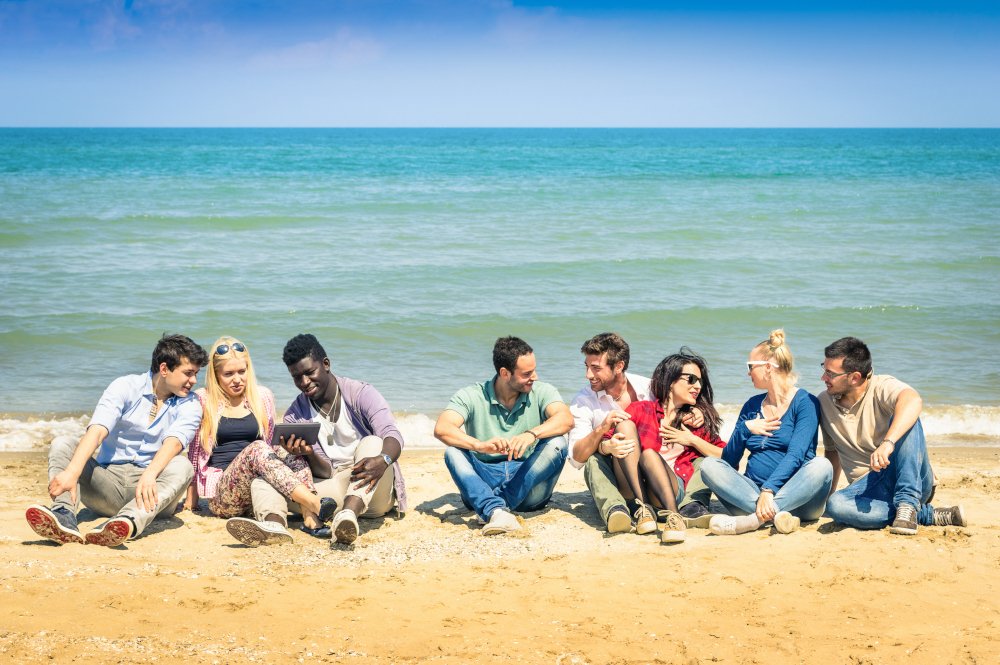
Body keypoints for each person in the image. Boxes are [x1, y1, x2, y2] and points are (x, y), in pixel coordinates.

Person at [25, 334, 207, 547]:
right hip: (107, 486)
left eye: (196, 374)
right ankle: (63, 515)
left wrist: (150, 474)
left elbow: (174, 442)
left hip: (152, 493)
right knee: (62, 443)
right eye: (188, 373)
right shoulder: (125, 386)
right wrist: (72, 473)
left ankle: (127, 521)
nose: (194, 381)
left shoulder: (191, 403)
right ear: (164, 369)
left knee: (182, 465)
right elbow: (98, 430)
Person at [183, 337, 334, 547]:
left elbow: (272, 445)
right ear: (216, 375)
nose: (237, 379)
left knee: (291, 452)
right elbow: (194, 452)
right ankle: (315, 503)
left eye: (242, 371)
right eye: (228, 374)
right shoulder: (203, 399)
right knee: (256, 448)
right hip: (223, 495)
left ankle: (308, 518)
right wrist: (191, 498)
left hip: (257, 489)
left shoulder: (262, 396)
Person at [820, 336, 967, 534]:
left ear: (854, 377)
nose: (823, 378)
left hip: (911, 478)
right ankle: (924, 515)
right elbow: (832, 453)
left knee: (908, 417)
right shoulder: (824, 402)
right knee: (836, 505)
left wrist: (888, 443)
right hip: (866, 491)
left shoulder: (882, 386)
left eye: (830, 373)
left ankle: (908, 503)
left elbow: (913, 400)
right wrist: (828, 497)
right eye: (824, 369)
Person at [568, 334, 712, 535]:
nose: (588, 375)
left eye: (596, 368)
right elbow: (576, 459)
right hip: (620, 474)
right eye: (587, 367)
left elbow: (679, 398)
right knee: (593, 460)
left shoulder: (650, 388)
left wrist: (698, 411)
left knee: (658, 454)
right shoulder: (583, 401)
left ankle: (662, 508)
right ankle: (616, 508)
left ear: (619, 366)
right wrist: (603, 436)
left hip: (654, 473)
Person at [435, 336, 572, 535]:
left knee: (558, 442)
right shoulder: (471, 394)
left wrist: (531, 434)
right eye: (527, 373)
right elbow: (442, 428)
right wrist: (479, 445)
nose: (535, 377)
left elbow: (566, 419)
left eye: (534, 370)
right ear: (505, 373)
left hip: (527, 484)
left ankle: (492, 508)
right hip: (484, 479)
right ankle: (496, 509)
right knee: (453, 451)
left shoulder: (543, 391)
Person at [278, 333, 406, 546]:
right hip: (334, 489)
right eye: (297, 377)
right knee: (273, 481)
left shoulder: (361, 393)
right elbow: (325, 473)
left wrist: (383, 460)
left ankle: (349, 513)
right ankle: (275, 524)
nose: (304, 382)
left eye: (309, 372)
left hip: (373, 486)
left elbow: (392, 434)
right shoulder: (295, 415)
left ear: (326, 364)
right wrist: (308, 454)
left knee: (373, 442)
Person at [701, 329, 833, 536]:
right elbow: (729, 462)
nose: (748, 373)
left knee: (822, 466)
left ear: (768, 367)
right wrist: (745, 429)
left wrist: (769, 490)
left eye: (750, 366)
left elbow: (797, 455)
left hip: (800, 501)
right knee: (709, 465)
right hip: (752, 496)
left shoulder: (805, 402)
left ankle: (755, 520)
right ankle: (774, 516)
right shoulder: (751, 406)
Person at [612, 350, 727, 543]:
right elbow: (609, 440)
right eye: (691, 379)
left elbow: (727, 456)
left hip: (670, 491)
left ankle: (674, 516)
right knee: (624, 426)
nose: (697, 386)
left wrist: (692, 440)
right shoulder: (642, 409)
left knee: (649, 455)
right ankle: (644, 509)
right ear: (671, 380)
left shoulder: (695, 422)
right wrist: (608, 444)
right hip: (634, 487)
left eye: (700, 381)